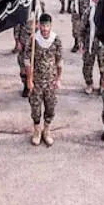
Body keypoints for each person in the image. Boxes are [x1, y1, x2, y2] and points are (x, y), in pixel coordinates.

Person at [25, 13, 63, 147]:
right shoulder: (34, 40)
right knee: (35, 108)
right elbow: (27, 62)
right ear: (39, 25)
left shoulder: (55, 40)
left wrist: (58, 79)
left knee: (50, 107)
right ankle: (37, 130)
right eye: (42, 25)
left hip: (50, 82)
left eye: (47, 25)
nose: (45, 28)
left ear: (51, 25)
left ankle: (46, 130)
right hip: (37, 81)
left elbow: (59, 61)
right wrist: (29, 80)